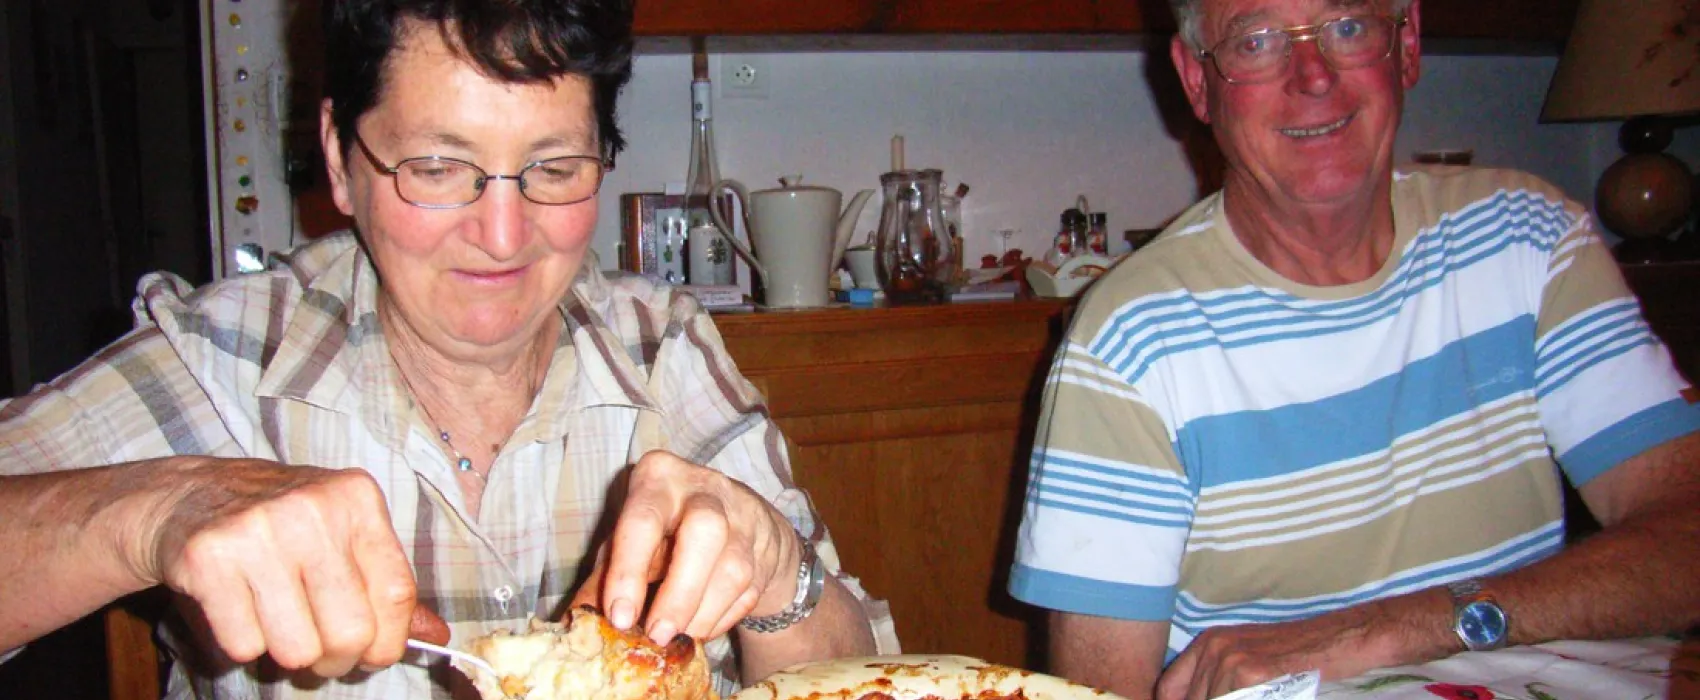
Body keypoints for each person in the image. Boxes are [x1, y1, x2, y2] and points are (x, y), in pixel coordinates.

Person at [0, 0, 896, 696]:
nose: (502, 236)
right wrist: (158, 511)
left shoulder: (664, 346)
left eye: (554, 168)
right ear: (339, 158)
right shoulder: (224, 360)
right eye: (435, 168)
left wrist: (779, 570)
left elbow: (864, 674)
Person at [1008, 0, 1700, 698]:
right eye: (1257, 41)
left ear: (1407, 43)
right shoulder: (1126, 343)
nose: (1313, 75)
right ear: (1197, 81)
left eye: (1347, 27)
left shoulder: (1529, 239)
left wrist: (1394, 629)